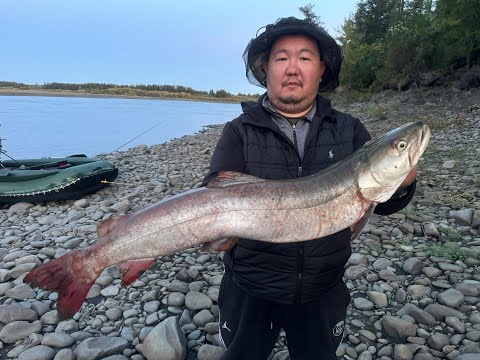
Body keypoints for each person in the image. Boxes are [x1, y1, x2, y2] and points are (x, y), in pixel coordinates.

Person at [201, 17, 417, 360]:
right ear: (266, 68)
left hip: (323, 287)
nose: (292, 68)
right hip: (250, 286)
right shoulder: (239, 132)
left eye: (304, 58)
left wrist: (403, 182)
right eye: (281, 57)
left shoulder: (349, 130)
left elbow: (384, 203)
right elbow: (212, 198)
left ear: (320, 69)